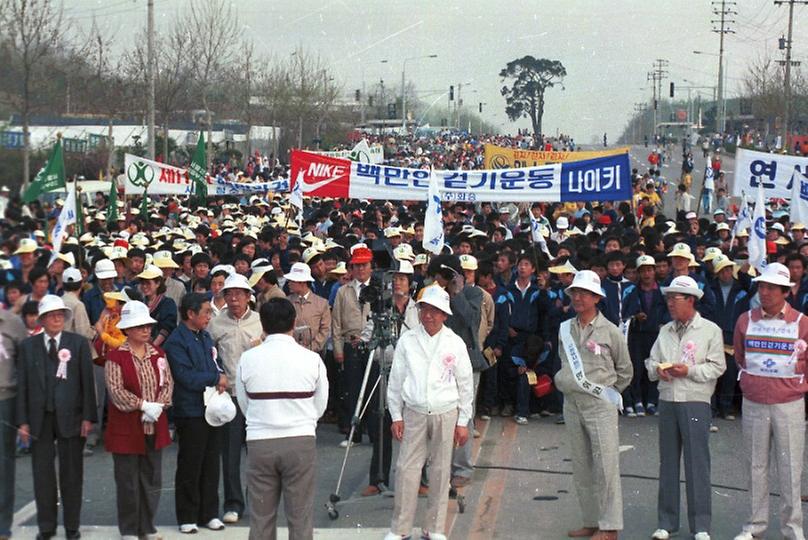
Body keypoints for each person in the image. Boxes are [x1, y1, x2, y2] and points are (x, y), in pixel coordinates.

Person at [385, 285, 474, 540]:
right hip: (414, 412)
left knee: (440, 470)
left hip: (446, 413)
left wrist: (464, 421)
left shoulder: (454, 342)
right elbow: (396, 380)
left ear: (445, 315)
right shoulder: (408, 340)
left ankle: (434, 528)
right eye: (425, 309)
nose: (428, 316)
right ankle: (400, 530)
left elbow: (465, 383)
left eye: (435, 311)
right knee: (406, 470)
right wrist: (396, 415)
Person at [236, 297, 329, 540]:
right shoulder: (312, 359)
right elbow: (320, 405)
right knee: (300, 516)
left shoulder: (248, 359)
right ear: (294, 322)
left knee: (261, 517)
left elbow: (245, 404)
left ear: (263, 326)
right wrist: (303, 419)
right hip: (300, 440)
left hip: (260, 441)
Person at [732, 263, 808, 540]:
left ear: (785, 292)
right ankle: (754, 526)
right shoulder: (745, 320)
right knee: (755, 466)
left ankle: (792, 530)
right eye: (761, 286)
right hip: (753, 402)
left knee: (790, 469)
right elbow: (740, 356)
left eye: (771, 288)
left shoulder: (802, 323)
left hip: (788, 403)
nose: (764, 292)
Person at [646, 276, 725, 540]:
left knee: (697, 464)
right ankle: (666, 523)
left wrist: (688, 371)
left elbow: (717, 366)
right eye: (668, 298)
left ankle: (701, 525)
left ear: (691, 300)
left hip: (695, 400)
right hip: (668, 399)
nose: (669, 303)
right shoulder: (665, 330)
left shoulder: (710, 330)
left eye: (675, 298)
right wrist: (659, 370)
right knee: (667, 462)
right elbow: (651, 361)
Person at [555, 271, 632, 540]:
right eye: (574, 292)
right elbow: (563, 360)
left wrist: (608, 394)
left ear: (596, 298)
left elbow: (625, 371)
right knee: (581, 465)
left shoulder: (610, 331)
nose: (577, 297)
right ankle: (590, 520)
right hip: (572, 403)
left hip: (599, 405)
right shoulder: (565, 328)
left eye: (584, 293)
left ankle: (610, 526)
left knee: (605, 465)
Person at [16, 295, 97, 540]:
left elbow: (87, 382)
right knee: (42, 476)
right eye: (51, 315)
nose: (56, 319)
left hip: (72, 417)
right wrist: (23, 421)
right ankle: (46, 527)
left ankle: (72, 527)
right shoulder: (28, 347)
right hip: (39, 418)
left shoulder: (78, 344)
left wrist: (88, 418)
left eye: (60, 315)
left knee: (72, 475)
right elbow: (23, 387)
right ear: (42, 319)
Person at [104, 301, 174, 540]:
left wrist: (159, 406)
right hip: (126, 428)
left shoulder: (159, 354)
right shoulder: (116, 357)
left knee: (152, 478)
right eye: (140, 326)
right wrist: (143, 405)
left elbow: (167, 383)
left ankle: (147, 526)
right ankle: (130, 529)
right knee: (128, 481)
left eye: (147, 326)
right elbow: (116, 390)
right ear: (128, 330)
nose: (146, 330)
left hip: (154, 425)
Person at [164, 293, 228, 534]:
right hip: (190, 409)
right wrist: (215, 377)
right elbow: (185, 376)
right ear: (190, 314)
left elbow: (215, 361)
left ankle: (209, 512)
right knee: (191, 463)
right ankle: (187, 515)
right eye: (206, 313)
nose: (209, 317)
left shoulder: (206, 336)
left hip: (211, 406)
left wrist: (219, 374)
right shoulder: (176, 341)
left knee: (211, 462)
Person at [206, 273, 263, 525]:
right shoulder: (215, 324)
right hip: (228, 395)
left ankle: (261, 503)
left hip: (257, 397)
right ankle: (233, 503)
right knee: (229, 455)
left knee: (260, 454)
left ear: (249, 296)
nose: (234, 298)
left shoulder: (261, 322)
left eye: (239, 293)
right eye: (229, 294)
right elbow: (209, 356)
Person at [0, 303, 31, 540]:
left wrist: (23, 415)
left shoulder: (12, 323)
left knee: (3, 464)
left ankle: (2, 525)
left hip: (5, 400)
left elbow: (25, 366)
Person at [285, 262, 331, 354]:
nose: (289, 284)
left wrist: (311, 348)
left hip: (315, 353)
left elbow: (325, 330)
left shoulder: (322, 303)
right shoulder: (286, 302)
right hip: (290, 353)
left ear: (302, 282)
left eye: (292, 281)